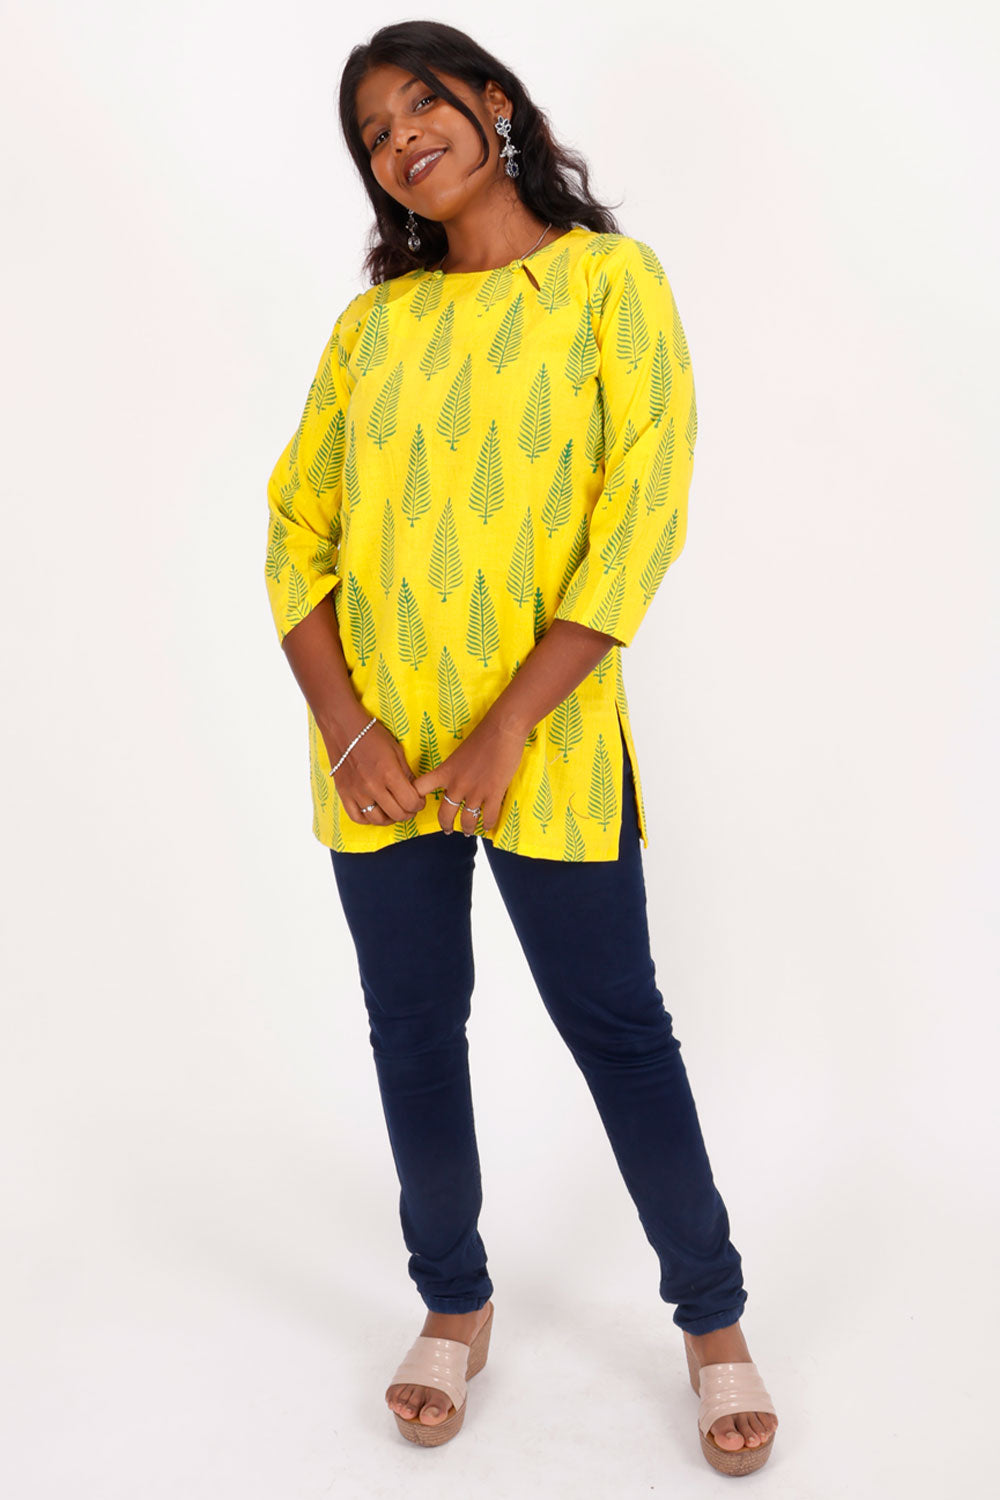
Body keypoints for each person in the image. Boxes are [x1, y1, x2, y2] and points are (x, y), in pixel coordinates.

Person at [263, 19, 779, 1476]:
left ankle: (713, 1320)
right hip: (376, 758)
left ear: (494, 105)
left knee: (619, 1028)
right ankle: (454, 1299)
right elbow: (295, 537)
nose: (400, 141)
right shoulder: (372, 329)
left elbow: (641, 521)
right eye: (373, 133)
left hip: (546, 746)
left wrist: (508, 728)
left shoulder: (612, 284)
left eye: (419, 105)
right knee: (414, 1031)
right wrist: (348, 730)